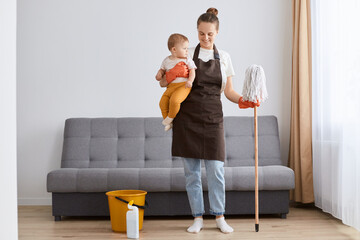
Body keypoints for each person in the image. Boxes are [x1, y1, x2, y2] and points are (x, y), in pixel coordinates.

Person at [159, 8, 260, 234]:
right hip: (187, 119)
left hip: (213, 119)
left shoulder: (224, 58)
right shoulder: (185, 55)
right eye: (201, 33)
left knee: (216, 171)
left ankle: (219, 216)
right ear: (197, 32)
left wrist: (245, 101)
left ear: (217, 33)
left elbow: (229, 92)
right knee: (192, 174)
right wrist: (168, 75)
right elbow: (167, 83)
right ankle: (197, 217)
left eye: (210, 34)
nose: (205, 38)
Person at [155, 33, 197, 131]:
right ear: (174, 49)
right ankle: (168, 121)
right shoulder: (166, 60)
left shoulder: (187, 60)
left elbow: (192, 71)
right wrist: (159, 74)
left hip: (183, 86)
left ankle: (170, 118)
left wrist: (190, 81)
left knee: (175, 101)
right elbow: (162, 70)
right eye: (184, 48)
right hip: (170, 87)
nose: (187, 51)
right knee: (162, 102)